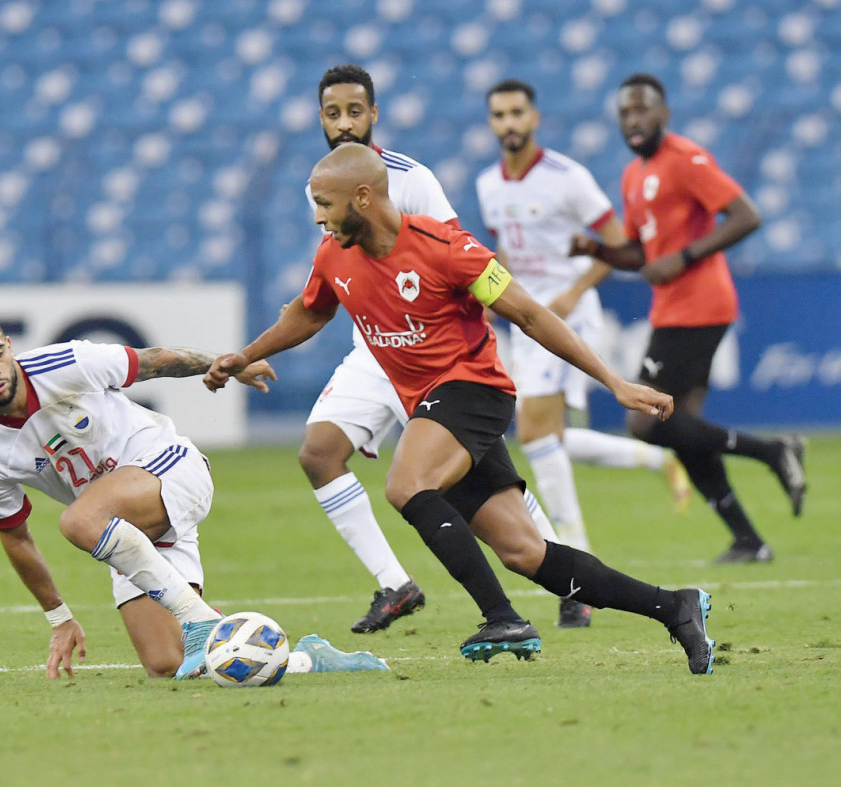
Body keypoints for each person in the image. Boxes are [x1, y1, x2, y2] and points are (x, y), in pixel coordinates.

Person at [206, 144, 717, 675]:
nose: (318, 217)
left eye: (325, 204)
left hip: (474, 391)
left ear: (362, 197)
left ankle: (502, 617)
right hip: (433, 409)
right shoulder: (333, 256)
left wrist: (614, 383)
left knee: (406, 484)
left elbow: (529, 314)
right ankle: (674, 607)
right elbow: (310, 313)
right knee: (525, 553)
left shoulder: (447, 247)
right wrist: (246, 355)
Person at [0, 309, 386, 680]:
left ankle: (198, 620)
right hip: (123, 529)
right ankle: (308, 659)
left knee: (77, 521)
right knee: (167, 663)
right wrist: (58, 617)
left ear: (9, 347)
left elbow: (154, 360)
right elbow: (14, 536)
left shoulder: (64, 364)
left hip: (169, 467)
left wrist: (228, 364)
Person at [300, 64, 560, 634]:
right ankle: (395, 583)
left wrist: (469, 346)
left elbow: (457, 260)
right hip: (376, 349)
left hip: (434, 352)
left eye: (354, 111)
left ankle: (566, 574)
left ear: (374, 114)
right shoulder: (322, 185)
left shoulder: (411, 178)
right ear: (320, 118)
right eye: (333, 113)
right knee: (318, 453)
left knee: (486, 478)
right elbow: (327, 285)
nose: (344, 124)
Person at [476, 79, 692, 626]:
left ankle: (577, 579)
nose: (508, 123)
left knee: (534, 433)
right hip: (525, 319)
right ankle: (655, 461)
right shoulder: (487, 184)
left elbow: (620, 246)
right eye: (499, 114)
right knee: (547, 439)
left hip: (569, 320)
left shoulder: (567, 177)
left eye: (517, 112)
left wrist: (573, 291)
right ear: (491, 122)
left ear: (534, 117)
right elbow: (504, 251)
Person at [570, 73, 807, 563]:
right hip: (672, 308)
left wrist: (686, 256)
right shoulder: (633, 175)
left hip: (700, 305)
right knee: (681, 426)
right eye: (625, 112)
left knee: (645, 420)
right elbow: (641, 253)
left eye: (642, 109)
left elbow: (746, 215)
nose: (633, 120)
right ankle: (748, 540)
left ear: (664, 114)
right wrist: (596, 249)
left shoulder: (686, 158)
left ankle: (773, 451)